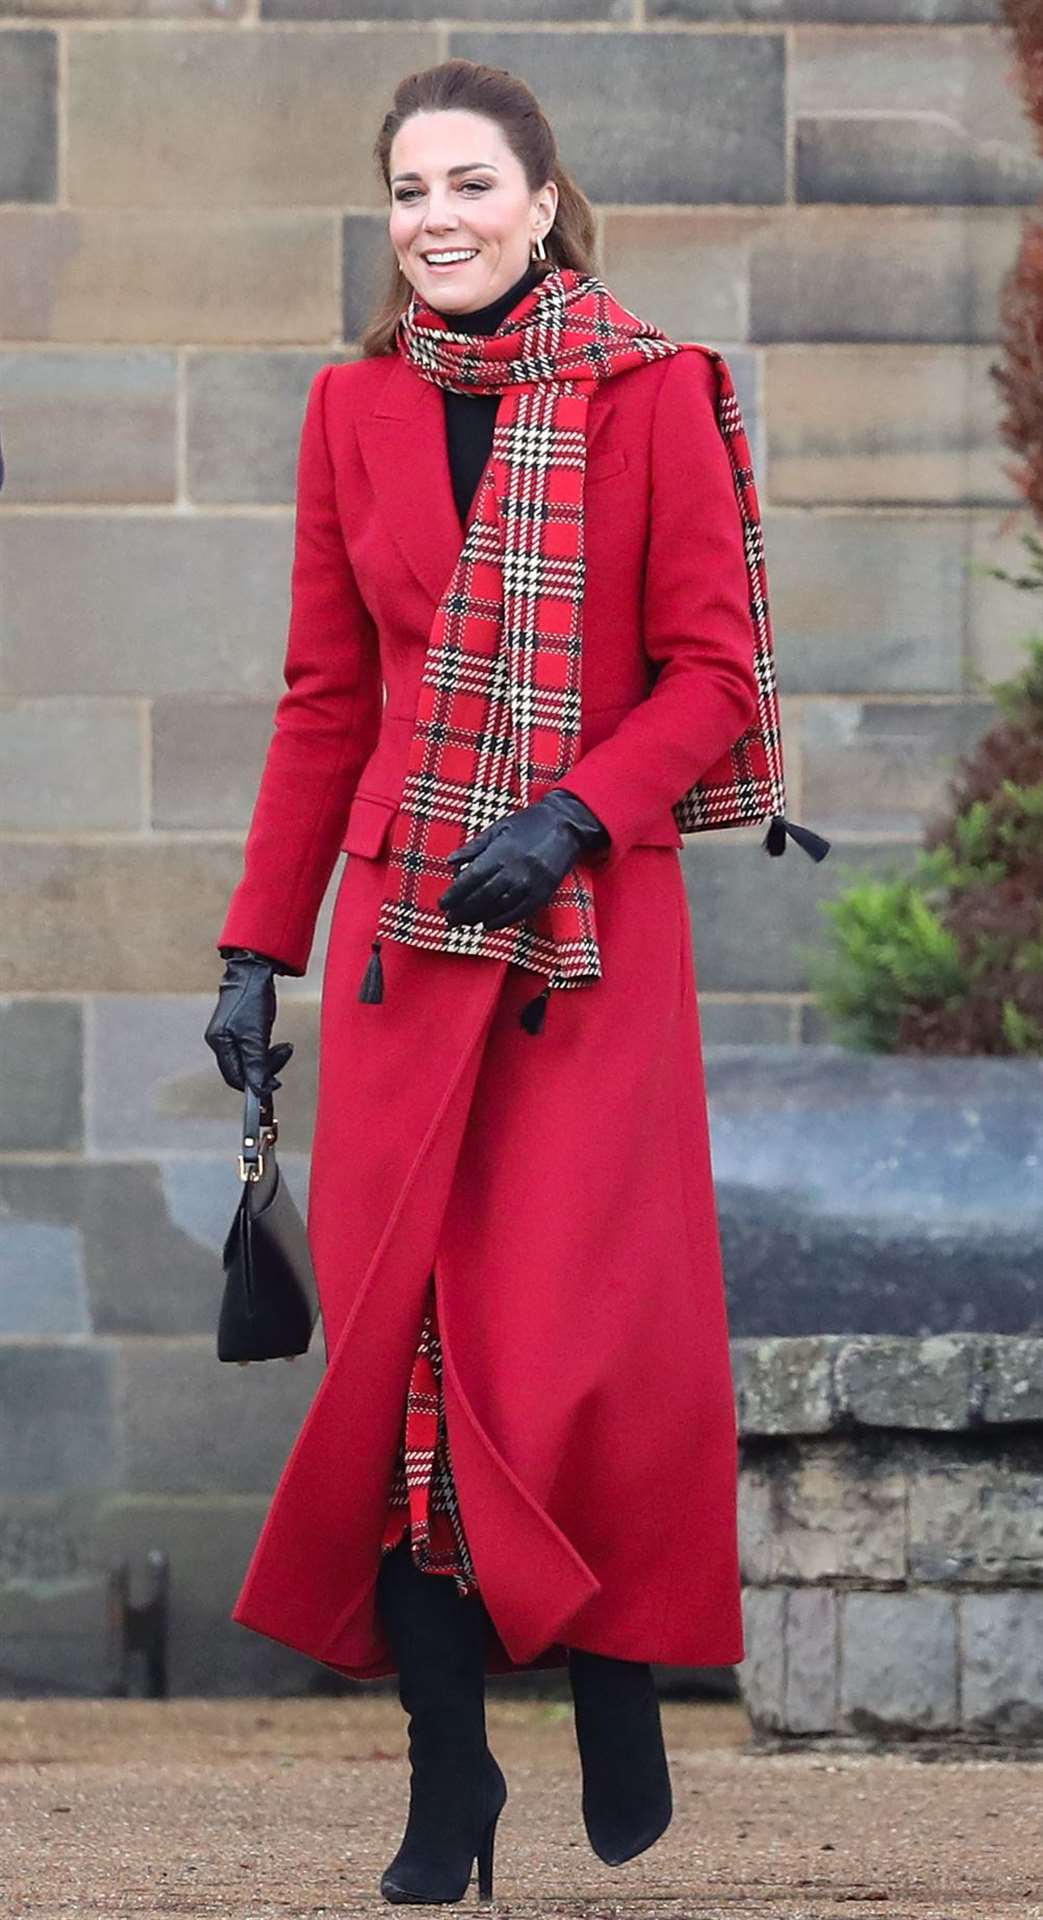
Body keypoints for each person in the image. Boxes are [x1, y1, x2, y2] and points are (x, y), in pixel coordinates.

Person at [205, 56, 824, 1909]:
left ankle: (618, 1665)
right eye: (409, 190)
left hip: (585, 947)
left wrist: (574, 817)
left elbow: (715, 677)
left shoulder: (658, 398)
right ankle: (447, 1780)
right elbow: (328, 703)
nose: (439, 217)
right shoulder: (352, 408)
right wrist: (258, 943)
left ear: (544, 199)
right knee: (403, 1347)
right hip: (406, 943)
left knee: (566, 1350)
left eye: (471, 182)